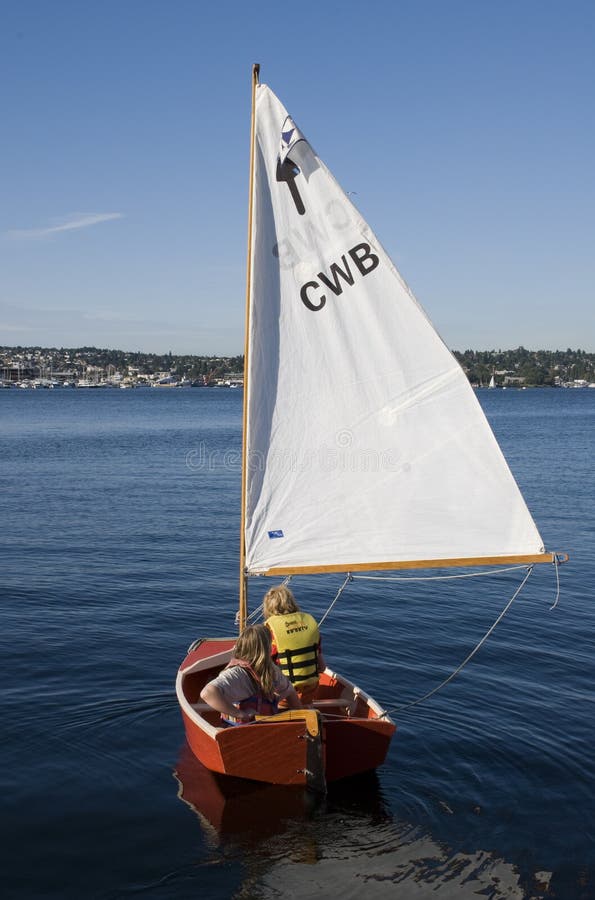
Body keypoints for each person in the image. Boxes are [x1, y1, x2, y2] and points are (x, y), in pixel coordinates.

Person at [200, 624, 302, 725]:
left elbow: (207, 693)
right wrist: (240, 714)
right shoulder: (270, 671)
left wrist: (240, 714)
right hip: (265, 730)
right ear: (267, 649)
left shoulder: (239, 674)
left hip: (243, 733)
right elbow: (207, 693)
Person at [263, 584, 326, 706]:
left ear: (268, 607)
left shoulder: (270, 630)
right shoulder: (309, 622)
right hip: (310, 689)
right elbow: (322, 667)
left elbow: (262, 666)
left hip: (284, 693)